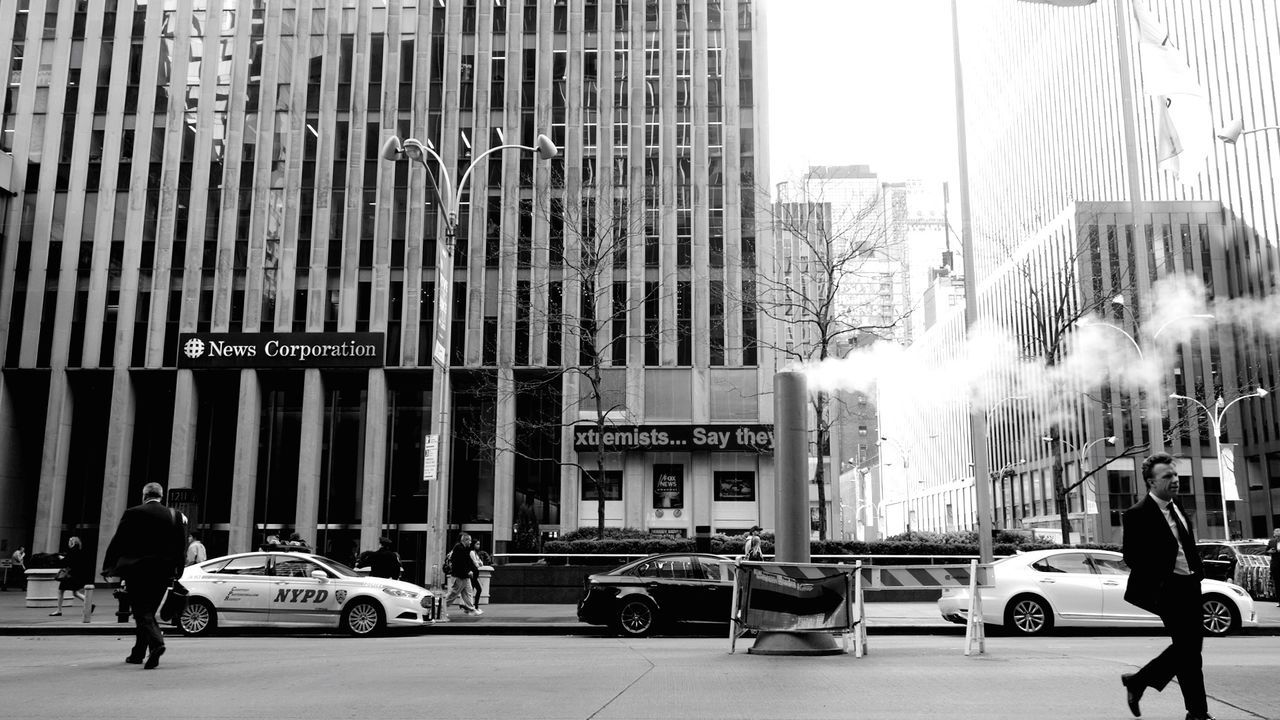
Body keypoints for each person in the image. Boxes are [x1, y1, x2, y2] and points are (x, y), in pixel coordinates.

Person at [1120, 452, 1214, 720]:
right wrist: (1162, 576)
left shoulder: (1178, 506)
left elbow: (1186, 545)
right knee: (1189, 647)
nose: (1175, 480)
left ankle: (1140, 682)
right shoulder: (1137, 514)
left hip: (1190, 585)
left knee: (1189, 650)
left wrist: (1197, 573)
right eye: (1167, 476)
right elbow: (1132, 557)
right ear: (1151, 482)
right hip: (1167, 588)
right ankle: (1196, 712)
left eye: (1175, 474)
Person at [102, 482, 187, 670]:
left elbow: (119, 541)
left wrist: (108, 566)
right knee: (147, 612)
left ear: (144, 495)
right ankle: (138, 653)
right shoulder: (175, 515)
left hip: (137, 571)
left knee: (142, 612)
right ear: (161, 496)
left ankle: (157, 643)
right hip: (163, 572)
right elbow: (181, 546)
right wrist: (178, 570)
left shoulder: (133, 513)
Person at [50, 536, 91, 616]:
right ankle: (90, 604)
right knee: (75, 592)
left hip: (70, 575)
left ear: (73, 542)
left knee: (60, 591)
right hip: (76, 574)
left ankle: (59, 610)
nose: (68, 543)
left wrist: (62, 558)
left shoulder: (72, 550)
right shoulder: (79, 550)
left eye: (70, 541)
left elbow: (68, 562)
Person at [443, 532, 482, 617]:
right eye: (469, 540)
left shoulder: (464, 548)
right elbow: (460, 563)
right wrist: (468, 571)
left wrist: (469, 571)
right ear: (465, 540)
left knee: (468, 592)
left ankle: (471, 609)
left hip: (464, 576)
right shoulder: (459, 548)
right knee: (453, 594)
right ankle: (440, 609)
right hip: (459, 576)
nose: (471, 542)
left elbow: (467, 562)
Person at [468, 539, 485, 604]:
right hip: (473, 573)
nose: (478, 546)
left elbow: (481, 562)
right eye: (477, 544)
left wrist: (479, 563)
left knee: (473, 590)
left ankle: (472, 605)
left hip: (475, 574)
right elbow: (476, 563)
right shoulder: (472, 552)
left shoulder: (475, 553)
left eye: (479, 544)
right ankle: (473, 605)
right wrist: (479, 564)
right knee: (477, 589)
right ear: (473, 544)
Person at [1267, 527, 1280, 607]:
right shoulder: (1271, 542)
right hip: (1275, 565)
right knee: (1277, 583)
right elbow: (1266, 551)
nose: (1278, 537)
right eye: (1276, 534)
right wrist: (1270, 551)